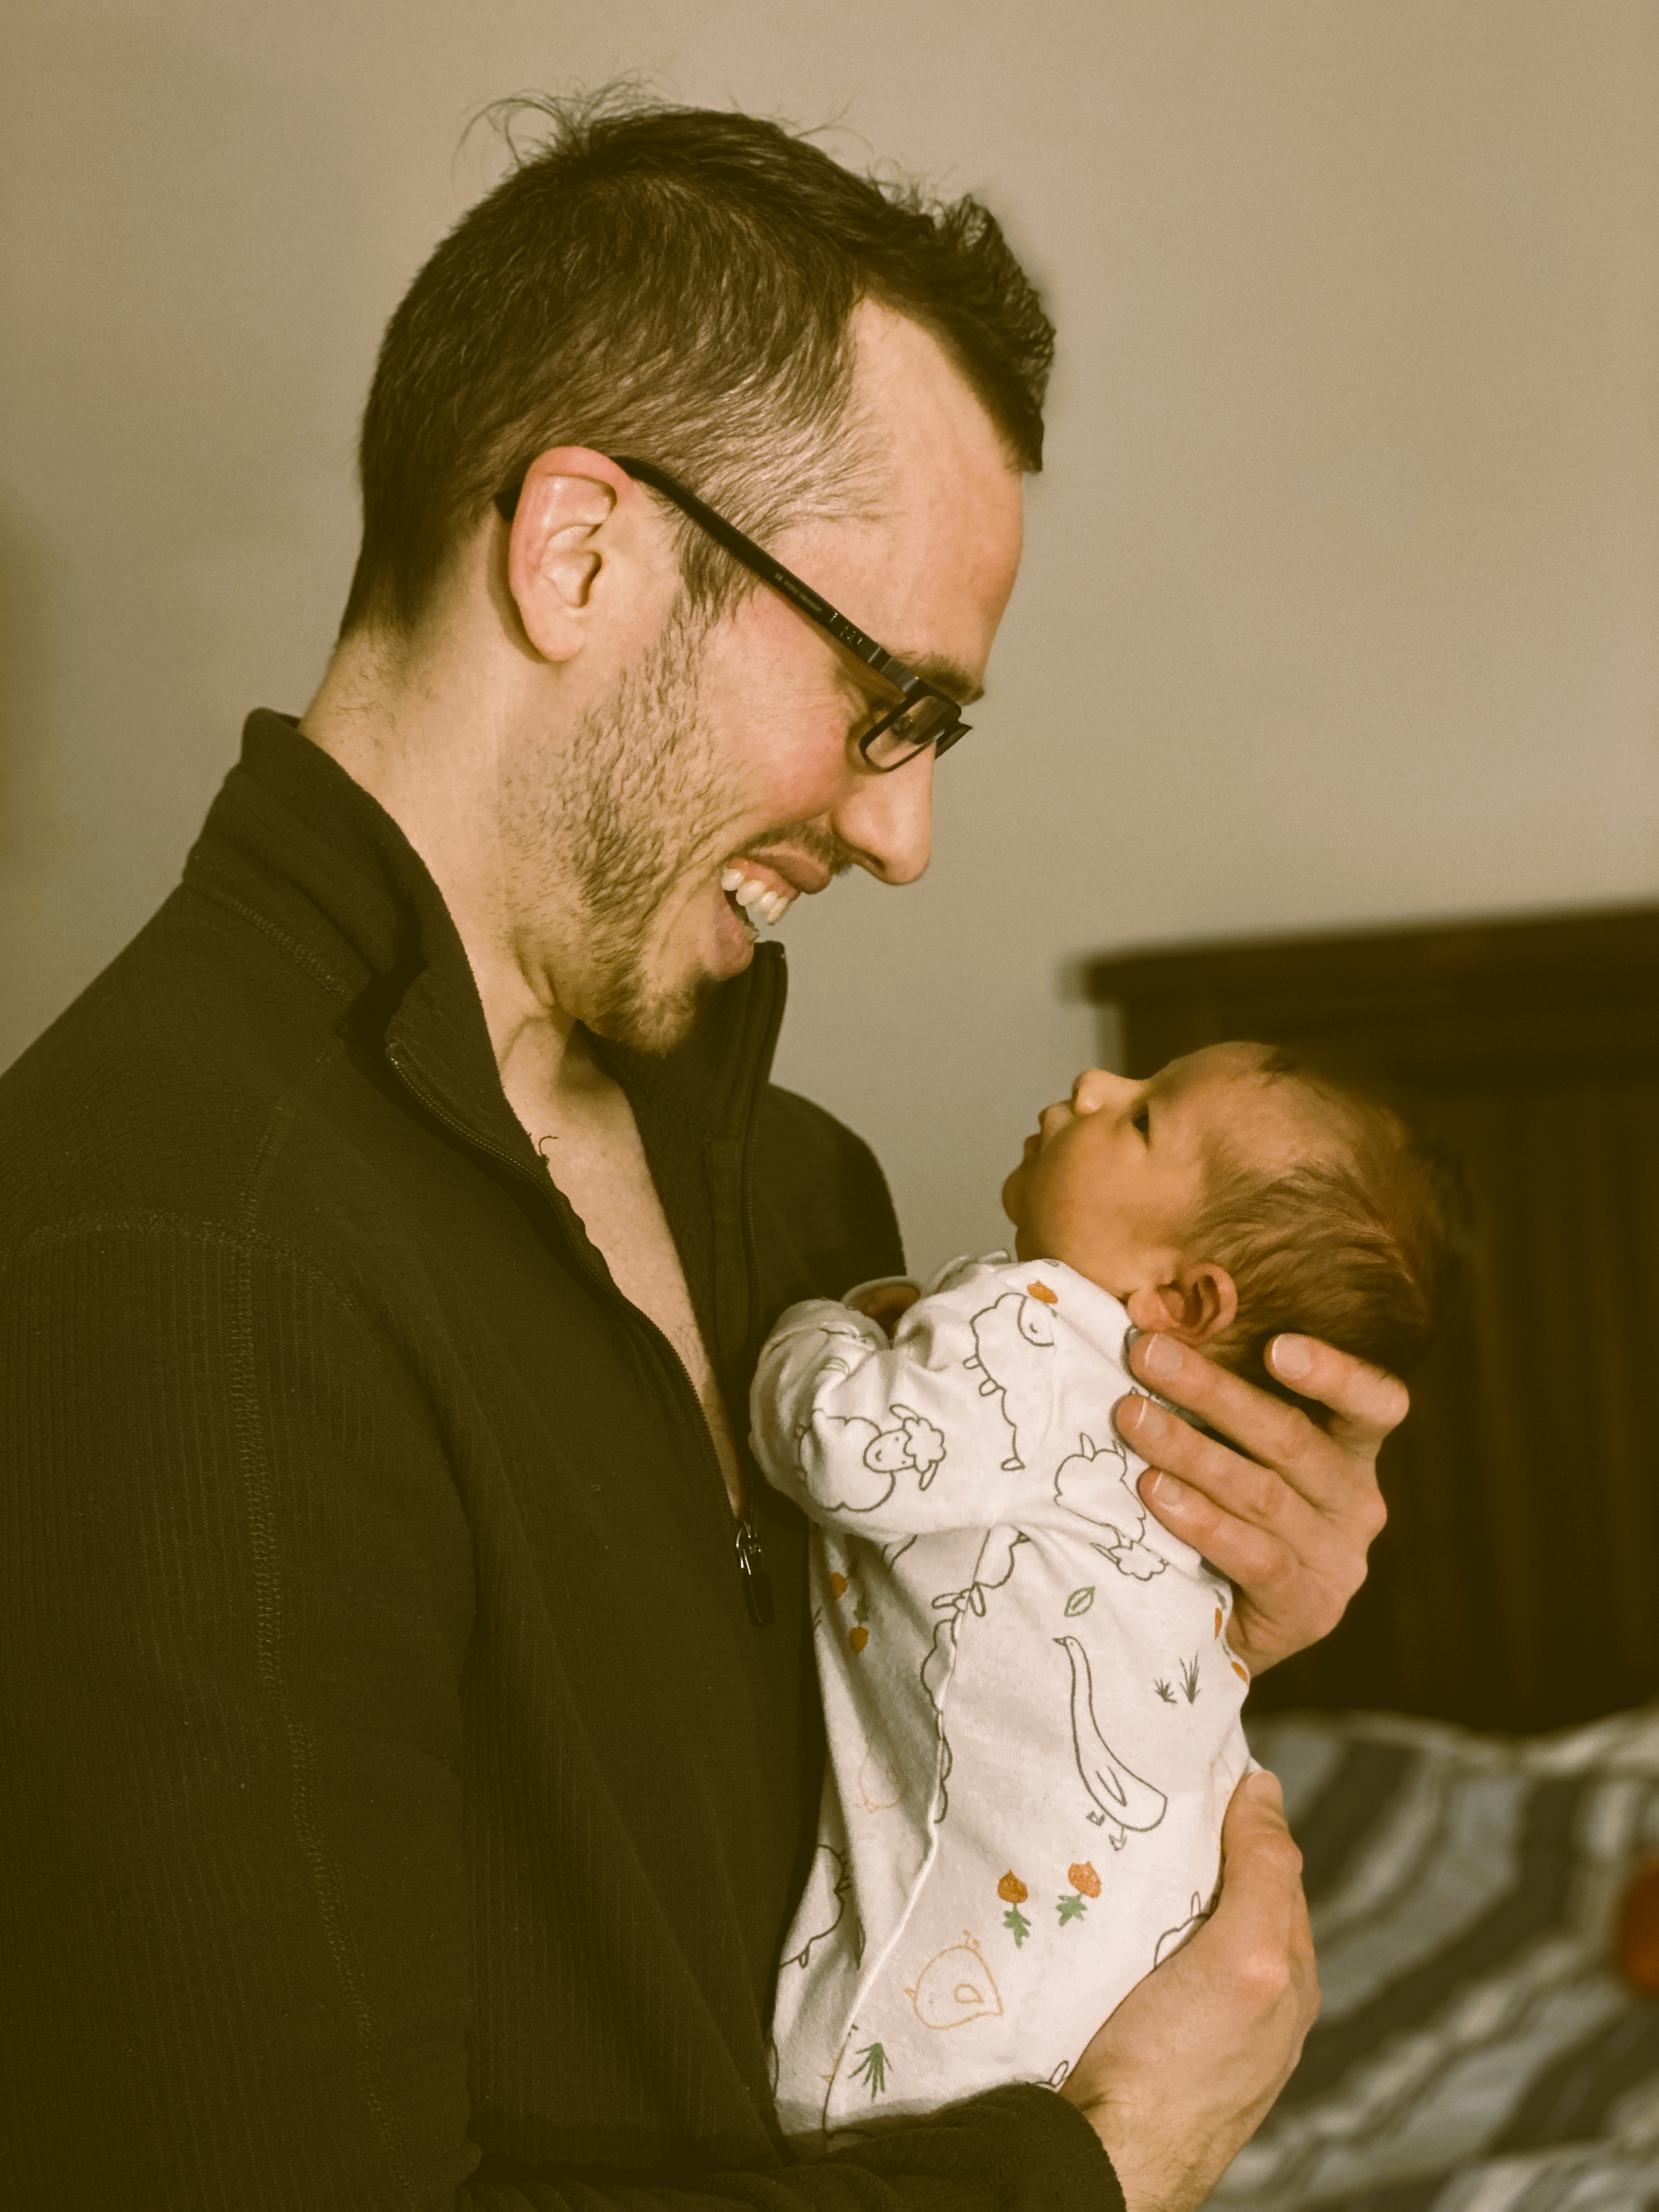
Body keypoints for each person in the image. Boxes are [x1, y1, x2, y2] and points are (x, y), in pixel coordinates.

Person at [0, 97, 1400, 2211]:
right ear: (578, 551)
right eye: (883, 707)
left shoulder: (808, 1196)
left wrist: (1169, 1599)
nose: (904, 835)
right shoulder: (172, 1255)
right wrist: (1092, 2169)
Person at [753, 1044, 1463, 2145]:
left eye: (1143, 1119)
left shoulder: (1031, 1314)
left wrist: (825, 1328)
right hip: (1109, 1974)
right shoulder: (1188, 1446)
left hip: (932, 2004)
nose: (1094, 1087)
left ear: (1185, 1295)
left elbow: (845, 1447)